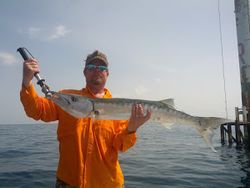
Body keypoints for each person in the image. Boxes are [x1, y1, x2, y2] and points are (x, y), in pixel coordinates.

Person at [20, 50, 151, 188]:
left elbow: (120, 146)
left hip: (108, 184)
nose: (97, 71)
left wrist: (132, 128)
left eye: (102, 68)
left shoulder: (119, 109)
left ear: (107, 74)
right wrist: (27, 81)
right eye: (91, 67)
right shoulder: (67, 98)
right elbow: (36, 111)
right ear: (84, 72)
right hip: (68, 183)